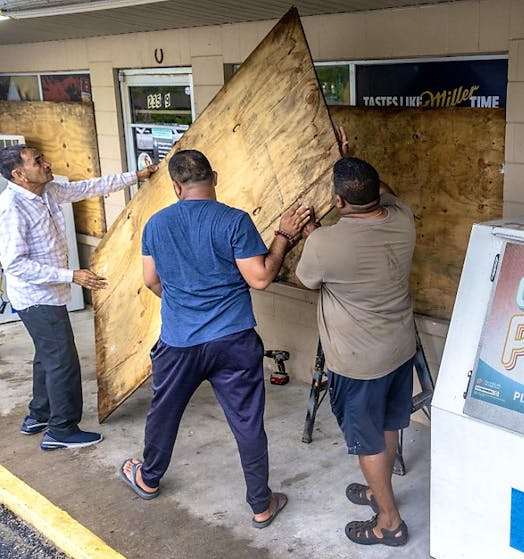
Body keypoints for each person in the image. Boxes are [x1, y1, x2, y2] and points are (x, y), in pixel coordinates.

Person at [117, 149, 311, 529]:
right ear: (215, 177)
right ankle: (261, 505)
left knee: (164, 412)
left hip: (179, 341)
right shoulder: (234, 221)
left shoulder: (156, 224)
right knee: (247, 423)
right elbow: (260, 277)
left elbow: (151, 280)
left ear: (176, 186)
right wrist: (283, 238)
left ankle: (148, 477)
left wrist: (183, 303)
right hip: (233, 340)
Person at [0, 143, 158, 450]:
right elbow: (14, 264)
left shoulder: (47, 192)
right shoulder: (12, 208)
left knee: (47, 357)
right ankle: (62, 429)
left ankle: (39, 414)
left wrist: (136, 175)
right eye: (38, 161)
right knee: (62, 361)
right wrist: (71, 275)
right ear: (19, 174)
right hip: (37, 297)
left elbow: (90, 186)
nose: (46, 164)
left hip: (49, 294)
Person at [296, 154, 416, 547]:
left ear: (337, 201)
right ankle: (377, 490)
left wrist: (313, 232)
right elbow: (386, 194)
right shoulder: (403, 219)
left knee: (369, 442)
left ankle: (389, 522)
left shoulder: (323, 242)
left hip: (358, 364)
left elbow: (308, 280)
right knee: (387, 426)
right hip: (399, 351)